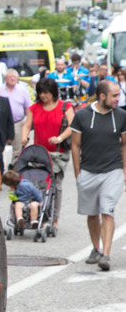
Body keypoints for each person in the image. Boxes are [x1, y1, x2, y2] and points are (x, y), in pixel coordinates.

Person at [66, 81, 126, 271]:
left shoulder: (121, 116)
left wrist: (125, 170)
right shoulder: (82, 115)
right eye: (114, 96)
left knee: (107, 210)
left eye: (118, 95)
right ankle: (96, 248)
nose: (118, 99)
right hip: (88, 171)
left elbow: (124, 144)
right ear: (102, 96)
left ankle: (106, 254)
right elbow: (75, 145)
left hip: (113, 170)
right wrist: (78, 172)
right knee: (92, 213)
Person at [20, 77, 75, 231]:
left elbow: (73, 126)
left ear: (53, 92)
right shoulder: (34, 108)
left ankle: (54, 218)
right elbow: (27, 125)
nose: (42, 96)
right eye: (40, 93)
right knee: (38, 183)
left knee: (55, 185)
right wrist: (24, 136)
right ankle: (39, 215)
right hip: (39, 152)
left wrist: (59, 138)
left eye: (45, 93)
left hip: (58, 153)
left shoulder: (65, 106)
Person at [0, 69, 32, 169]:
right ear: (5, 78)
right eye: (10, 76)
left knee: (17, 148)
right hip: (2, 124)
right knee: (0, 148)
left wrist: (27, 122)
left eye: (14, 76)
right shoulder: (0, 89)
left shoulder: (22, 90)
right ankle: (1, 169)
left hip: (17, 123)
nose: (12, 78)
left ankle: (13, 170)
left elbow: (28, 107)